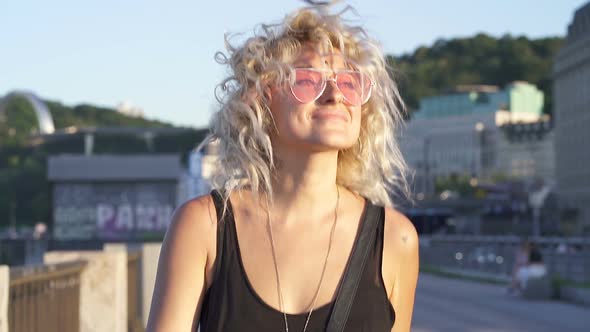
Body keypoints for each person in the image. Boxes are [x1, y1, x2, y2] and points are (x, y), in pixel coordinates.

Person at [146, 2, 419, 332]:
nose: (335, 94)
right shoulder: (205, 227)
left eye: (349, 82)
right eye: (307, 79)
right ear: (261, 99)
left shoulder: (394, 238)